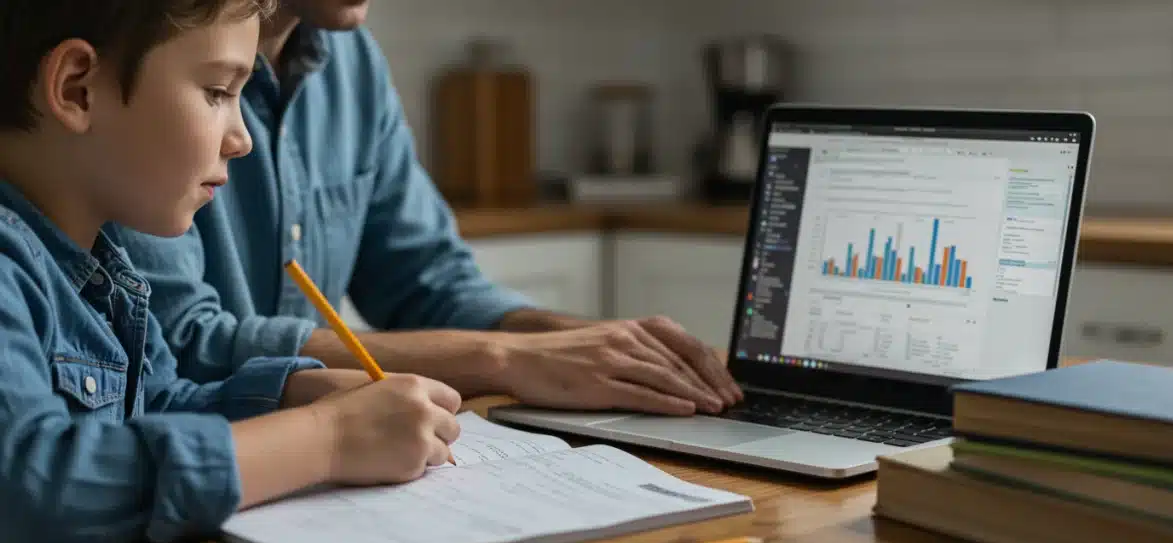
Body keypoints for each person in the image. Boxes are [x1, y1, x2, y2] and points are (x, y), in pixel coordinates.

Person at [0, 2, 467, 543]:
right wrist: (325, 439)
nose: (240, 136)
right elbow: (35, 494)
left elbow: (156, 404)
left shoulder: (100, 266)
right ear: (78, 88)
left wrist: (287, 393)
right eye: (218, 92)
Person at [109, 0, 744, 417]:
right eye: (221, 92)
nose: (236, 130)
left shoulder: (353, 64)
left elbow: (428, 281)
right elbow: (178, 345)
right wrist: (503, 360)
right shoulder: (140, 62)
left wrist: (588, 345)